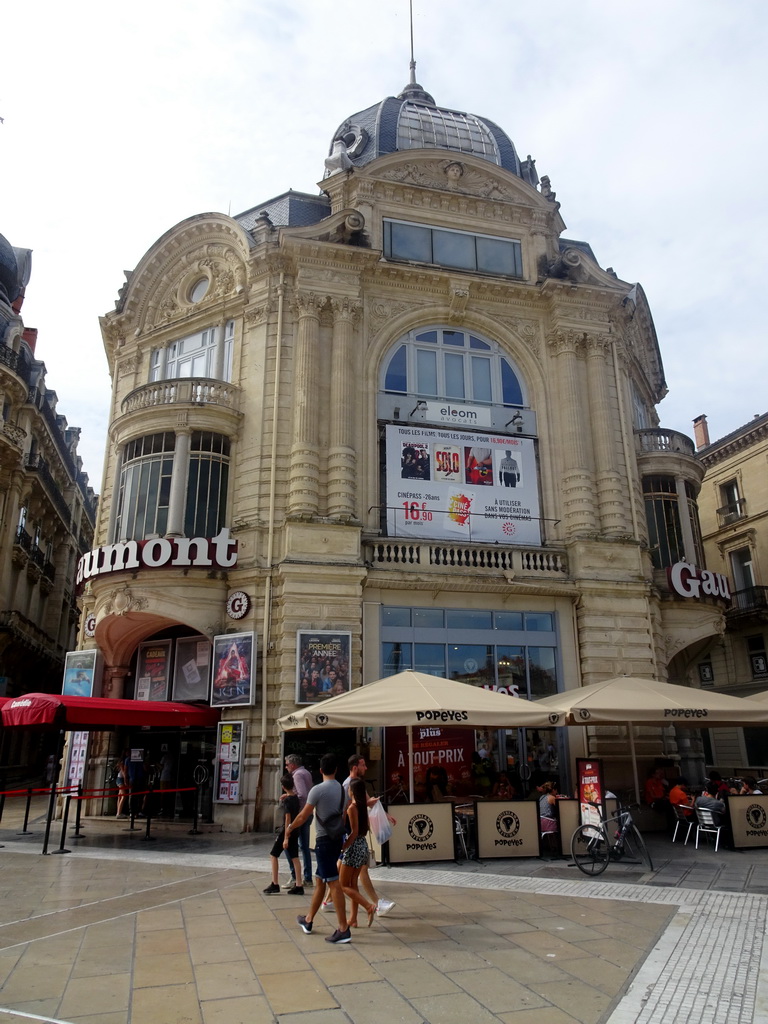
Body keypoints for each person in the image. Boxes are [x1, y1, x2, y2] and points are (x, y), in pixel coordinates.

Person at [286, 753, 350, 943]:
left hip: (323, 840)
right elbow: (344, 814)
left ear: (320, 770)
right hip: (337, 838)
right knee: (320, 880)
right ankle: (308, 919)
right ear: (336, 770)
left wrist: (290, 828)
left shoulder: (317, 790)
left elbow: (303, 815)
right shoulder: (341, 788)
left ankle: (343, 929)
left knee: (333, 882)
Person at [339, 778, 377, 929]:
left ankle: (368, 906)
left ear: (352, 791)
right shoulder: (362, 807)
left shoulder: (352, 808)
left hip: (353, 847)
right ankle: (353, 919)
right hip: (363, 845)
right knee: (353, 883)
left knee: (343, 885)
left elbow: (353, 832)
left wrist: (343, 847)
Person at [263, 774, 304, 895]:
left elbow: (287, 819)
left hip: (288, 830)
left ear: (283, 787)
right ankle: (299, 884)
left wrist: (286, 837)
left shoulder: (287, 801)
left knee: (273, 855)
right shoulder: (295, 798)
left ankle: (274, 883)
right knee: (295, 857)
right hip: (296, 829)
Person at [283, 754, 314, 887]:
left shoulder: (297, 775)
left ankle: (294, 876)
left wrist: (290, 798)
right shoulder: (306, 772)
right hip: (308, 813)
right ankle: (307, 877)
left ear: (292, 765)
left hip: (300, 814)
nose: (286, 767)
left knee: (289, 844)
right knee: (305, 846)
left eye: (286, 764)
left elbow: (302, 795)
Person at [115, 749, 130, 818]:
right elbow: (124, 772)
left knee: (120, 796)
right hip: (121, 779)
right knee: (124, 796)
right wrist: (125, 780)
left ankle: (118, 812)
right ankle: (119, 813)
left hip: (119, 778)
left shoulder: (122, 761)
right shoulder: (124, 761)